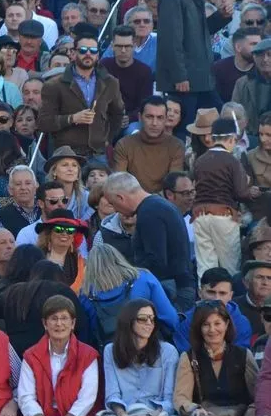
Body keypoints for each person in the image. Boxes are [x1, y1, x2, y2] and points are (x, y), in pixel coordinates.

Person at [104, 172, 194, 310]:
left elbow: (156, 262)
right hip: (179, 287)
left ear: (120, 198)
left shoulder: (150, 212)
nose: (115, 210)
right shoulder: (160, 205)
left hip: (170, 292)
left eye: (113, 203)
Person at [173, 300, 257, 416]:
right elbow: (181, 397)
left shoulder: (243, 355)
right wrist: (194, 409)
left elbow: (258, 394)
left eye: (217, 323)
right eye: (206, 324)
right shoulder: (189, 357)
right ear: (199, 328)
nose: (212, 330)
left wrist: (252, 409)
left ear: (227, 324)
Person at [157, 0, 221, 137]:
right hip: (184, 81)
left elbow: (198, 32)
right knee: (184, 131)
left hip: (200, 79)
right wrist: (179, 76)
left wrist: (222, 17)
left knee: (218, 120)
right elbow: (170, 40)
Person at [39, 30, 125, 160]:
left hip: (98, 153)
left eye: (93, 51)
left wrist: (107, 139)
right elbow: (43, 122)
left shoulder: (110, 82)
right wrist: (72, 118)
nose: (88, 54)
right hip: (67, 153)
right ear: (73, 54)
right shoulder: (54, 85)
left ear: (98, 55)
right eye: (83, 50)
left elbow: (117, 114)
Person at [95, 299, 179, 416]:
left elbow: (170, 398)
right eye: (143, 319)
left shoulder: (168, 351)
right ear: (129, 321)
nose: (149, 323)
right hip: (123, 415)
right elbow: (112, 395)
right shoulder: (110, 350)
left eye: (152, 319)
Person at [192, 118, 257, 279]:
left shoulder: (200, 160)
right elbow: (241, 193)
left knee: (205, 266)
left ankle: (205, 293)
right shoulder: (232, 161)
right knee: (231, 266)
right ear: (231, 139)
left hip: (200, 216)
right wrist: (251, 191)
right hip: (224, 216)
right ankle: (230, 293)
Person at [17, 295, 99, 416]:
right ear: (45, 324)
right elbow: (26, 397)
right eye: (54, 318)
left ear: (73, 323)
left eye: (64, 318)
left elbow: (87, 398)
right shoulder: (31, 356)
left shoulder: (88, 355)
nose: (59, 324)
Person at [79, 243, 179, 346]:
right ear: (118, 259)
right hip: (150, 346)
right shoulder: (143, 278)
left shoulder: (86, 295)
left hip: (112, 351)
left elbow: (87, 337)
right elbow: (171, 318)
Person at [112, 96, 185, 194]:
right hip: (131, 198)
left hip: (164, 201)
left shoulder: (176, 146)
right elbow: (120, 183)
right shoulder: (124, 145)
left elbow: (173, 185)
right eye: (149, 117)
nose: (154, 123)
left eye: (160, 118)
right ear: (140, 117)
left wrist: (152, 200)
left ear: (165, 119)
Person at [173, 268, 252, 353]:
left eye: (222, 293)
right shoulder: (186, 320)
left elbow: (239, 356)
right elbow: (185, 354)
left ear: (230, 296)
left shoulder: (241, 323)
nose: (216, 298)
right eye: (211, 292)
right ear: (200, 293)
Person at [34, 210, 87, 292]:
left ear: (73, 237)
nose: (65, 234)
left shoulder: (81, 263)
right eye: (59, 229)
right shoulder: (36, 258)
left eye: (70, 230)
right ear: (49, 233)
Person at [233, 38, 271, 133]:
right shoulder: (242, 83)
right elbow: (234, 114)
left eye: (269, 55)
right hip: (251, 135)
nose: (265, 59)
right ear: (254, 57)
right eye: (260, 55)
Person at [0, 166, 41, 237]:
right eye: (18, 184)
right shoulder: (0, 217)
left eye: (28, 183)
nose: (23, 188)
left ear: (36, 187)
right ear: (10, 190)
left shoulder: (48, 209)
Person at [234, 261, 271, 340]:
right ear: (246, 282)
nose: (265, 283)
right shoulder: (233, 308)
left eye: (269, 278)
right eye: (259, 277)